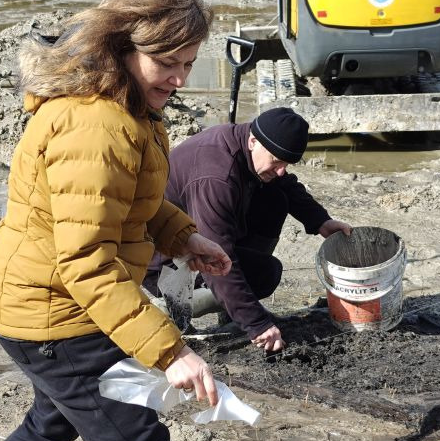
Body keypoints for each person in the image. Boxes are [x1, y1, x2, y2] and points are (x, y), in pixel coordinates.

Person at [0, 0, 232, 441]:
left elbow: (132, 199)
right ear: (126, 47)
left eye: (189, 63)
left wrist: (183, 236)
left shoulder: (128, 103)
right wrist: (171, 351)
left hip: (43, 304)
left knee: (51, 423)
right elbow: (86, 260)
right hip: (57, 318)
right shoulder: (97, 125)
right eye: (168, 63)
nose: (179, 78)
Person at [144, 107, 351, 353]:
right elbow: (214, 257)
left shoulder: (246, 143)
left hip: (195, 242)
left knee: (274, 197)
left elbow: (285, 182)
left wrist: (320, 221)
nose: (282, 169)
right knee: (265, 274)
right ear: (253, 141)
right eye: (277, 161)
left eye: (287, 163)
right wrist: (257, 323)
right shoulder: (216, 178)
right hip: (163, 265)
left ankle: (231, 310)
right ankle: (169, 306)